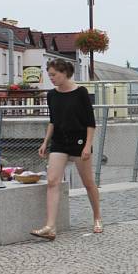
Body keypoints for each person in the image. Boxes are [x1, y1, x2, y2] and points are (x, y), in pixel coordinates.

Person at [30, 59, 102, 240]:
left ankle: (97, 217)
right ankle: (50, 226)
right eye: (50, 75)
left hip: (79, 141)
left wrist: (87, 146)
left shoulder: (81, 93)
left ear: (64, 73)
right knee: (52, 181)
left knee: (88, 183)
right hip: (59, 141)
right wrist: (45, 142)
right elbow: (53, 121)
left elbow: (90, 123)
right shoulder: (51, 95)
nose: (51, 78)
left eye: (54, 75)